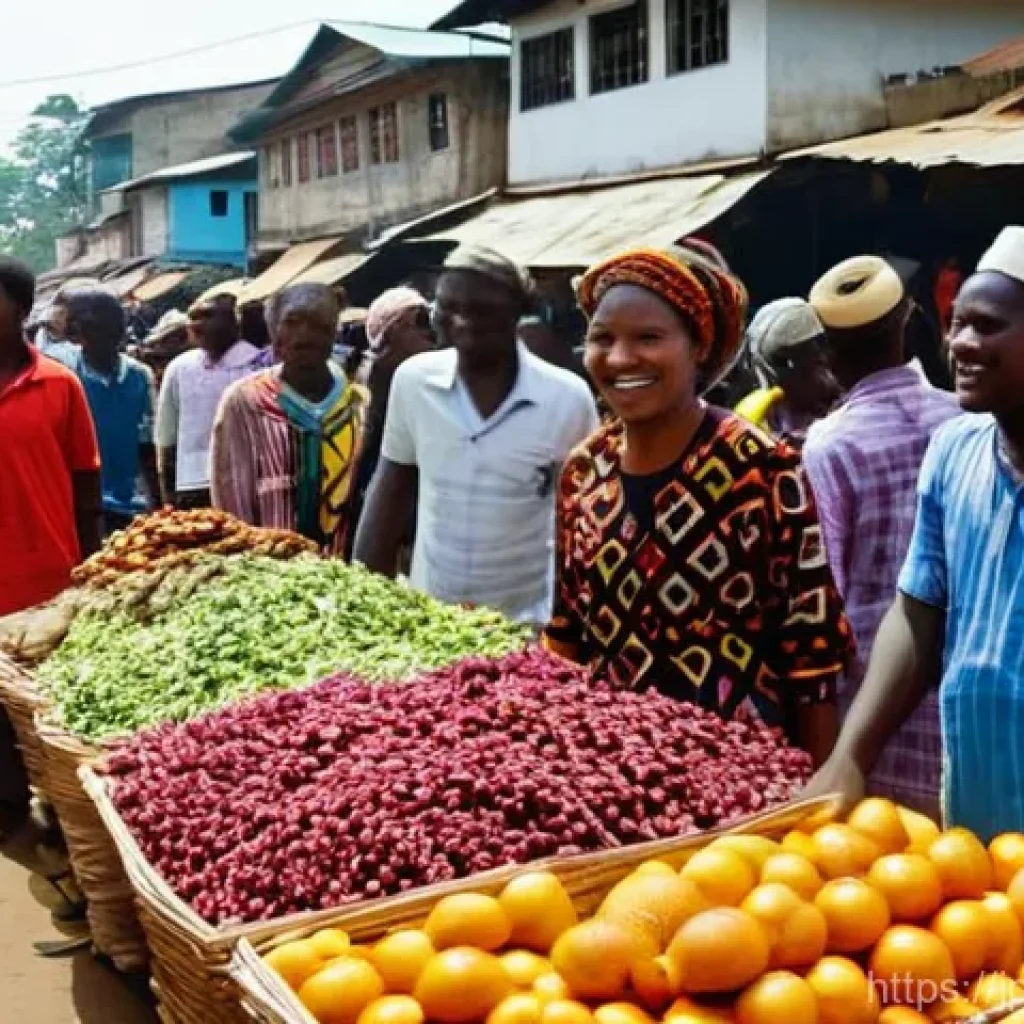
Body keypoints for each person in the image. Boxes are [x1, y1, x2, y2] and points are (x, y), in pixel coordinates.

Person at [543, 244, 853, 765]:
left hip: (740, 780)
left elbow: (811, 654)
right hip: (609, 774)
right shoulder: (583, 471)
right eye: (602, 338)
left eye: (648, 338)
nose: (619, 359)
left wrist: (814, 806)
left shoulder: (760, 468)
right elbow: (568, 631)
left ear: (698, 348)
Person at [805, 227, 1024, 838]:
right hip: (973, 801)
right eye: (957, 324)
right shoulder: (953, 450)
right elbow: (919, 610)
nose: (960, 343)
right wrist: (851, 755)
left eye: (989, 326)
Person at [354, 245, 599, 624]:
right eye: (448, 308)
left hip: (528, 632)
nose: (462, 322)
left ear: (516, 313)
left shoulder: (567, 399)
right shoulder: (414, 383)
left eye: (481, 310)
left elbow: (582, 525)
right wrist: (367, 606)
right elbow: (390, 491)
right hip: (431, 626)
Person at [801, 257, 960, 817]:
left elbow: (823, 599)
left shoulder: (830, 445)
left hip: (870, 719)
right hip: (960, 706)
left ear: (825, 350)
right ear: (909, 317)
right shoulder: (964, 420)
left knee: (891, 885)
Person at [211, 283, 368, 554]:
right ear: (274, 333)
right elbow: (231, 501)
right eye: (292, 323)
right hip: (269, 576)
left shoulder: (358, 404)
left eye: (319, 325)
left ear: (334, 333)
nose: (304, 336)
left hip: (347, 572)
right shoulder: (244, 401)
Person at [0, 257, 102, 617]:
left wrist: (92, 572)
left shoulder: (60, 384)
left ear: (22, 310)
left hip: (47, 586)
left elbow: (86, 484)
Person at [56, 289, 161, 536]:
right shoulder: (67, 377)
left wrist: (158, 502)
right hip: (81, 505)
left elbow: (147, 445)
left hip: (132, 506)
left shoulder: (140, 376)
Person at [155, 292, 259, 509]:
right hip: (191, 487)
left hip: (248, 485)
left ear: (233, 321)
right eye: (193, 317)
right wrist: (168, 499)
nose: (197, 324)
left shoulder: (258, 366)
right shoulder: (179, 368)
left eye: (208, 316)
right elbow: (167, 438)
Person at [734, 298, 840, 445]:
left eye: (823, 343)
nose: (826, 356)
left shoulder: (851, 404)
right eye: (813, 351)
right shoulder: (754, 425)